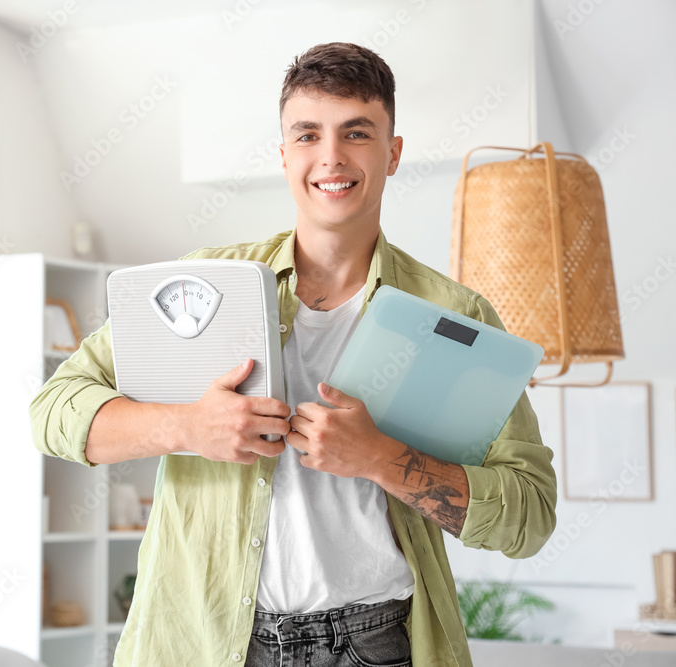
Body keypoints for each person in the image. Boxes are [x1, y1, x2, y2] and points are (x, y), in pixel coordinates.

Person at [29, 42, 557, 667]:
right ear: (284, 155)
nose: (330, 156)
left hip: (376, 645)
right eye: (308, 134)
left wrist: (382, 459)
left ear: (392, 153)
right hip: (204, 641)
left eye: (356, 133)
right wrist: (189, 426)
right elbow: (52, 411)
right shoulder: (198, 284)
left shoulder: (456, 316)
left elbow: (530, 515)